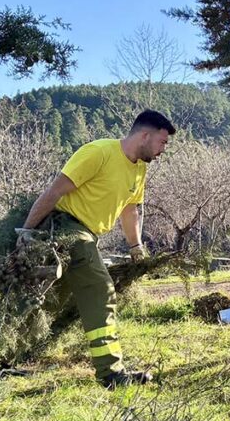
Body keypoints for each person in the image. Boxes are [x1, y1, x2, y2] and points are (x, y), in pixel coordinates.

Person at [19, 109, 175, 388]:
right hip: (66, 228)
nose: (164, 149)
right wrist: (27, 231)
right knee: (101, 289)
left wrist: (136, 247)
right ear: (145, 135)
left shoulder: (139, 168)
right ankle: (111, 373)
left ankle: (3, 358)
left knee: (53, 301)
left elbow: (130, 210)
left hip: (89, 235)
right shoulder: (98, 152)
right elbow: (54, 192)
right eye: (162, 142)